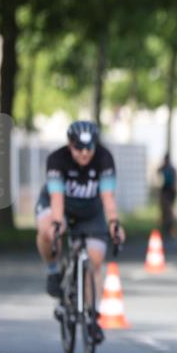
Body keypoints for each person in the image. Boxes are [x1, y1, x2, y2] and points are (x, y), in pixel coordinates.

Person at [35, 121, 125, 340]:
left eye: (89, 148)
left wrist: (114, 223)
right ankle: (53, 269)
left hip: (89, 211)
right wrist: (58, 224)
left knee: (94, 261)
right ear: (69, 145)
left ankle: (91, 316)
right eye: (79, 148)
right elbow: (57, 199)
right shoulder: (57, 160)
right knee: (50, 230)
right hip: (59, 207)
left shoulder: (104, 158)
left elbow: (108, 198)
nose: (84, 153)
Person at [158, 153, 177, 237]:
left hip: (170, 191)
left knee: (169, 211)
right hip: (164, 191)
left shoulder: (172, 169)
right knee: (164, 211)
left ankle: (171, 229)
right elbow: (157, 173)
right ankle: (165, 228)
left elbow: (175, 180)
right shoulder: (163, 168)